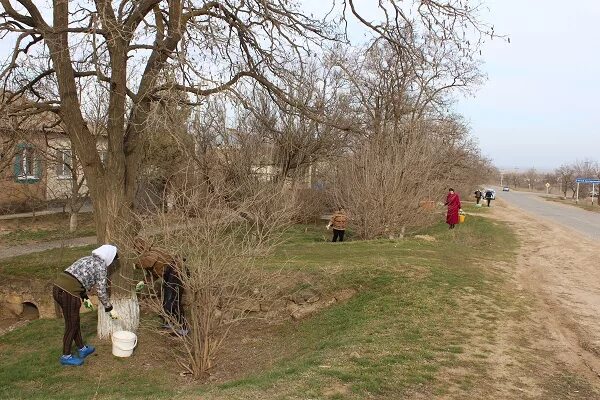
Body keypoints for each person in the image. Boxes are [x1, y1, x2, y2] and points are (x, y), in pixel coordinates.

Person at [52, 245, 119, 366]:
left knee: (74, 321)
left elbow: (79, 278)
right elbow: (101, 291)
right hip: (68, 293)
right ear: (109, 257)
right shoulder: (101, 266)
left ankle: (82, 349)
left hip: (58, 288)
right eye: (113, 260)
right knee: (71, 325)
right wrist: (109, 308)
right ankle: (66, 356)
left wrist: (85, 298)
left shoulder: (87, 259)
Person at [133, 238, 187, 335]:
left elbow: (149, 261)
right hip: (169, 274)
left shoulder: (153, 252)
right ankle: (168, 323)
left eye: (137, 248)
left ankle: (184, 327)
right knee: (167, 299)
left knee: (174, 300)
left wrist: (135, 265)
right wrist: (138, 288)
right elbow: (152, 276)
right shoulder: (153, 258)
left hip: (176, 271)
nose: (137, 251)